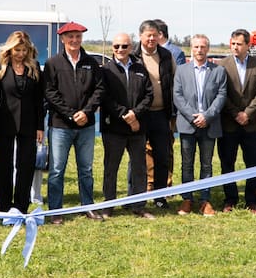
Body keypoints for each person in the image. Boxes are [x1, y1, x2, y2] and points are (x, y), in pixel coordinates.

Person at [43, 21, 104, 222]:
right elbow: (50, 93)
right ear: (63, 39)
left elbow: (99, 90)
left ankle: (88, 206)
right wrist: (70, 114)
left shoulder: (91, 63)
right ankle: (55, 210)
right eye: (70, 36)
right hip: (60, 126)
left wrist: (86, 112)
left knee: (86, 169)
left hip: (86, 125)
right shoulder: (53, 63)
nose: (75, 40)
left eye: (78, 36)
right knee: (56, 170)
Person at [0, 30, 45, 214]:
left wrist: (40, 126)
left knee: (26, 166)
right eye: (17, 50)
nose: (21, 54)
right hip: (4, 123)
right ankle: (4, 208)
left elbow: (39, 100)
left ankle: (21, 207)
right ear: (10, 49)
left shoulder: (34, 68)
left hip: (29, 124)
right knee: (3, 166)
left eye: (24, 50)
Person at [100, 32, 154, 218]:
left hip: (137, 128)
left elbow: (149, 95)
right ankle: (109, 205)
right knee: (111, 168)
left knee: (139, 168)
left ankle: (139, 205)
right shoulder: (106, 70)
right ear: (112, 48)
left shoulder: (140, 68)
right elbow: (105, 97)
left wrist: (135, 114)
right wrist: (125, 115)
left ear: (131, 47)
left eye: (124, 46)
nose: (120, 49)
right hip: (114, 128)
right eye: (117, 46)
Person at [173, 34, 227, 215]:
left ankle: (205, 200)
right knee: (187, 163)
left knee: (206, 164)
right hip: (188, 124)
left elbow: (221, 96)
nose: (199, 50)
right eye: (196, 47)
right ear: (191, 48)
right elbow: (177, 96)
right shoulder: (181, 70)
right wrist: (193, 116)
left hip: (209, 125)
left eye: (203, 47)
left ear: (208, 49)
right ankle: (187, 199)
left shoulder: (218, 71)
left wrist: (207, 116)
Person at [218, 28, 256, 213]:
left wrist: (248, 113)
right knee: (227, 162)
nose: (235, 47)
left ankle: (251, 200)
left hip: (251, 124)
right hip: (229, 123)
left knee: (253, 163)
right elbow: (221, 92)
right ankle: (230, 199)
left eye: (239, 44)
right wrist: (235, 113)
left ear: (248, 45)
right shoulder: (222, 65)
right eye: (233, 44)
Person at [134, 19, 177, 209]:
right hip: (140, 115)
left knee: (162, 157)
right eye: (148, 35)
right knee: (137, 158)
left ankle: (160, 197)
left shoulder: (166, 56)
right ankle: (136, 197)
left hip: (161, 114)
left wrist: (173, 113)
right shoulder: (133, 56)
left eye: (154, 35)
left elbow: (175, 82)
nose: (151, 39)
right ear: (140, 36)